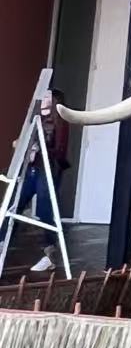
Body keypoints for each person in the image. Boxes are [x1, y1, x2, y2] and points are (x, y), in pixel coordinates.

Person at [15, 89, 69, 274]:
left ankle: (50, 254)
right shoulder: (34, 117)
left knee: (45, 211)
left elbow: (59, 149)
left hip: (47, 169)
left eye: (47, 96)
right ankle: (1, 243)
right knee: (15, 205)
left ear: (54, 100)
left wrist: (39, 150)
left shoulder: (59, 121)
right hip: (31, 168)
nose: (43, 98)